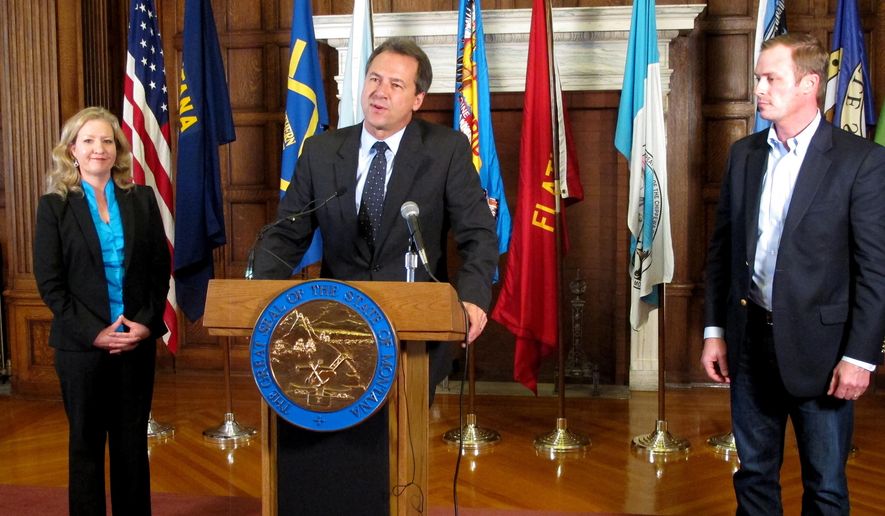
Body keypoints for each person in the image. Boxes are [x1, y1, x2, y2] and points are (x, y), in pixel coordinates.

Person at [252, 37, 498, 514]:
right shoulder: (324, 151)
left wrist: (472, 301)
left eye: (395, 84)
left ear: (417, 99)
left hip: (414, 334)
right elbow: (286, 236)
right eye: (374, 79)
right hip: (332, 326)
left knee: (390, 449)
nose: (380, 92)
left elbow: (478, 237)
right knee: (329, 450)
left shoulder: (446, 150)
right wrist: (258, 296)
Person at [701, 33, 885, 514]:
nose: (759, 87)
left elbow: (875, 270)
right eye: (758, 77)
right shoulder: (744, 155)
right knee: (754, 475)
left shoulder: (860, 161)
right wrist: (715, 331)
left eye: (771, 78)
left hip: (822, 356)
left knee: (825, 485)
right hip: (749, 346)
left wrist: (860, 358)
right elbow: (722, 252)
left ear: (808, 85)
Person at [33, 106, 171, 516]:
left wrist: (145, 325)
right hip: (82, 349)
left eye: (107, 141)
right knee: (86, 447)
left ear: (118, 149)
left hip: (135, 343)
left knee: (131, 447)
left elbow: (157, 271)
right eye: (89, 141)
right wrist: (94, 332)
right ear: (72, 149)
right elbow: (50, 284)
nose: (99, 149)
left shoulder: (141, 199)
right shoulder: (54, 206)